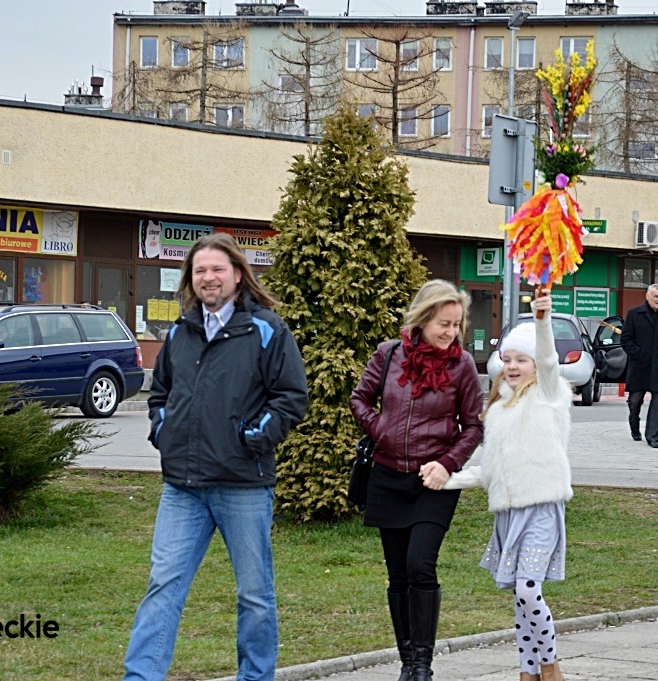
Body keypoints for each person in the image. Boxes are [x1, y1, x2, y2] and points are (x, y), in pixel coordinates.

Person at [123, 233, 309, 681]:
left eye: (217, 269)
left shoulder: (266, 329)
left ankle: (255, 676)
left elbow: (291, 397)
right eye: (200, 270)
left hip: (243, 484)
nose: (208, 277)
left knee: (254, 594)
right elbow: (160, 393)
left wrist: (252, 437)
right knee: (163, 586)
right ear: (191, 278)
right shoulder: (180, 332)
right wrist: (163, 429)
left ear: (238, 274)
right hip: (183, 487)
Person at [350, 279, 485, 681]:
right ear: (423, 319)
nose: (451, 333)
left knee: (420, 565)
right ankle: (407, 662)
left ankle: (423, 665)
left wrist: (447, 463)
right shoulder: (388, 354)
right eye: (444, 324)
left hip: (434, 483)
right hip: (387, 476)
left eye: (457, 325)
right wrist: (382, 431)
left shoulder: (462, 365)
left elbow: (473, 427)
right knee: (398, 574)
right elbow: (360, 399)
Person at [443, 290, 571, 681]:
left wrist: (542, 322)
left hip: (542, 510)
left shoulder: (550, 396)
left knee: (529, 589)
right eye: (508, 359)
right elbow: (489, 471)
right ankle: (526, 672)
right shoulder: (497, 411)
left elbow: (549, 361)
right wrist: (445, 479)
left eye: (522, 359)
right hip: (508, 515)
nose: (513, 366)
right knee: (519, 595)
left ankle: (550, 666)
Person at [620, 284, 658, 449]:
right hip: (639, 366)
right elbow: (625, 339)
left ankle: (653, 436)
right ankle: (634, 425)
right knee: (635, 401)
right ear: (648, 296)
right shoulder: (634, 314)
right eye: (656, 296)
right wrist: (638, 353)